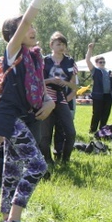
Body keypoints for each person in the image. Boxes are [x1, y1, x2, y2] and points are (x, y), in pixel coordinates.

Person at [0, 0, 61, 222]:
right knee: (37, 165)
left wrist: (48, 100)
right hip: (9, 119)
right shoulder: (13, 53)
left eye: (32, 27)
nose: (32, 30)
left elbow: (39, 88)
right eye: (25, 27)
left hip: (19, 117)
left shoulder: (34, 59)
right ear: (14, 34)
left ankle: (4, 219)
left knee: (12, 170)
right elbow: (31, 13)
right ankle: (14, 219)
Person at [38, 32, 77, 165]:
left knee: (70, 132)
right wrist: (51, 80)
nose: (61, 47)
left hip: (61, 99)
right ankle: (48, 160)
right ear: (51, 45)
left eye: (63, 44)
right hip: (46, 98)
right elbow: (38, 81)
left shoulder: (70, 61)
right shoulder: (44, 61)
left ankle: (65, 160)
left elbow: (75, 86)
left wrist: (65, 84)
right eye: (58, 44)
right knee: (45, 134)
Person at [85, 43, 112, 134]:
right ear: (96, 63)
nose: (102, 63)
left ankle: (102, 131)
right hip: (98, 96)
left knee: (105, 114)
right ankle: (92, 130)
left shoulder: (109, 72)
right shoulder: (95, 71)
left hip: (108, 95)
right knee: (97, 114)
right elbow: (87, 60)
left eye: (103, 62)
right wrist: (90, 49)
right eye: (100, 62)